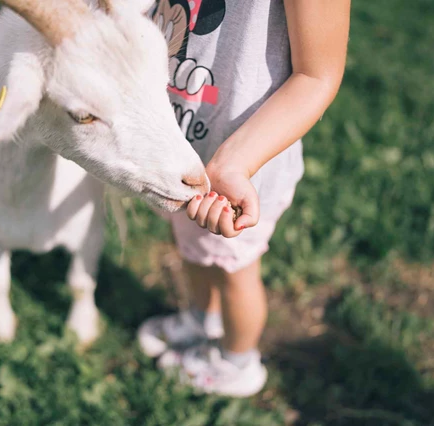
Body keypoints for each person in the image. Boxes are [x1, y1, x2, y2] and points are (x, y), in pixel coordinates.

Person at [137, 0, 351, 397]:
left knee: (235, 269)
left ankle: (237, 362)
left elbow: (316, 74)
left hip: (244, 169)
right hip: (182, 148)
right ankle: (202, 319)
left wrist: (237, 164)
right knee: (193, 249)